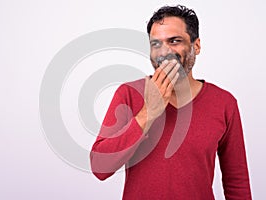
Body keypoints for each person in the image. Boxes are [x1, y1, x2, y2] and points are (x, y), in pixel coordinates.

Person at [90, 5, 252, 200]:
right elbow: (100, 167)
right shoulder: (128, 94)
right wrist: (148, 113)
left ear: (196, 46)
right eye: (156, 44)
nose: (164, 52)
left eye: (174, 41)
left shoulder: (224, 103)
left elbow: (237, 183)